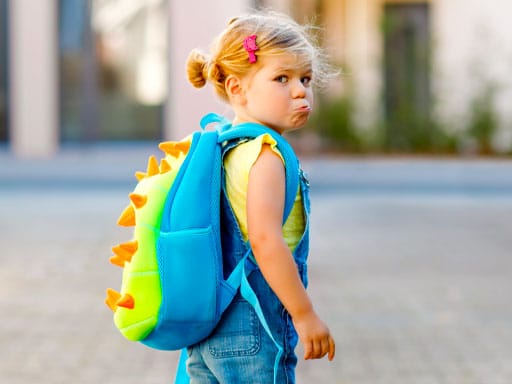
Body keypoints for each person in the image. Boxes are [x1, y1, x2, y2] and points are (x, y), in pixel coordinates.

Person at [184, 11, 336, 383]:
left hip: (210, 327)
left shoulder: (224, 148)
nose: (300, 90)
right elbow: (266, 242)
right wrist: (304, 314)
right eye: (281, 78)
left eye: (305, 78)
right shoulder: (266, 155)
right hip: (253, 329)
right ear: (237, 88)